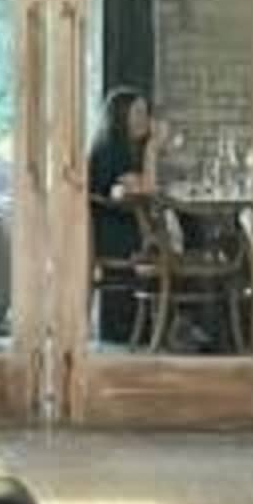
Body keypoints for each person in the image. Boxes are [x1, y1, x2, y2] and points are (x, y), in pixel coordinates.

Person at [86, 83, 157, 343]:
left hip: (127, 224)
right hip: (115, 231)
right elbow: (147, 189)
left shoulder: (128, 150)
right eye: (137, 114)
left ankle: (173, 323)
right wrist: (153, 149)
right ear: (121, 118)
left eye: (146, 113)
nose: (146, 120)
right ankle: (170, 324)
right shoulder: (111, 152)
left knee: (188, 230)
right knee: (175, 245)